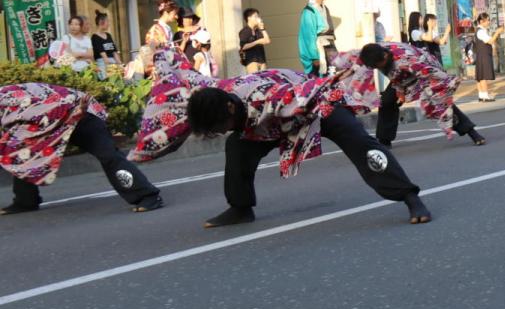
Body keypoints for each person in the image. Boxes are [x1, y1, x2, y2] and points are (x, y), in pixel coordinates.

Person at [132, 49, 429, 228]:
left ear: (231, 107)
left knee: (360, 143)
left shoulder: (263, 98)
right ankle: (240, 207)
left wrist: (337, 81)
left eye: (222, 124)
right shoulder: (219, 95)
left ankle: (409, 196)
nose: (221, 130)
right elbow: (182, 78)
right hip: (267, 124)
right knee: (237, 146)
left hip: (312, 106)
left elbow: (307, 94)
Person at [1, 83, 163, 215]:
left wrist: (78, 113)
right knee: (20, 151)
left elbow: (54, 108)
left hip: (80, 114)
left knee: (108, 156)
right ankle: (26, 200)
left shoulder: (10, 99)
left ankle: (148, 196)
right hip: (50, 123)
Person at [355, 42, 486, 147]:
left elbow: (428, 74)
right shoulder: (378, 51)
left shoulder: (406, 59)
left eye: (377, 66)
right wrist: (400, 91)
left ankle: (471, 132)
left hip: (425, 70)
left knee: (438, 100)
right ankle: (384, 139)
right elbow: (393, 75)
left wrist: (446, 84)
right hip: (402, 75)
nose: (376, 68)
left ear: (384, 57)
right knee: (387, 100)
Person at [299, 0, 337, 76]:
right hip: (319, 50)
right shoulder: (309, 11)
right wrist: (314, 57)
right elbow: (308, 36)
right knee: (321, 77)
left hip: (329, 48)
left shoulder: (325, 8)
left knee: (333, 75)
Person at [473, 13, 503, 101]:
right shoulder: (480, 31)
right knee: (483, 76)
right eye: (488, 20)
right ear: (482, 21)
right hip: (484, 55)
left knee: (480, 76)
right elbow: (490, 41)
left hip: (481, 55)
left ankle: (481, 95)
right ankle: (485, 95)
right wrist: (497, 32)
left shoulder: (480, 30)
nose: (489, 22)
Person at [238, 8, 270, 73]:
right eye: (255, 16)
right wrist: (257, 42)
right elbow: (243, 46)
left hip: (262, 60)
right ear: (249, 18)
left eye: (258, 16)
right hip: (251, 61)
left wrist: (262, 29)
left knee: (264, 81)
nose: (258, 18)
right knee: (255, 80)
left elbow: (267, 40)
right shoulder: (245, 31)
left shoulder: (258, 31)